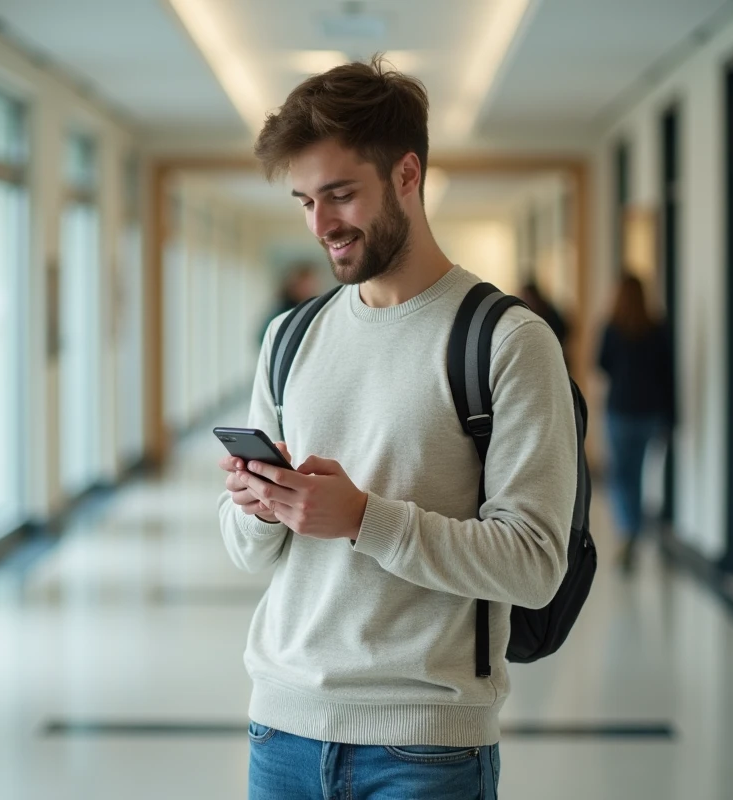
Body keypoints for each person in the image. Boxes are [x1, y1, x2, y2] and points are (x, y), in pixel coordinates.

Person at [216, 55, 578, 799]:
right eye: (304, 201)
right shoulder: (290, 337)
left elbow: (537, 566)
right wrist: (257, 507)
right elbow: (248, 551)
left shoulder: (508, 341)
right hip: (280, 729)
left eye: (341, 195)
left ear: (407, 176)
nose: (320, 226)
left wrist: (363, 520)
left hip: (425, 749)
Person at [596, 272, 674, 572]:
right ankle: (633, 532)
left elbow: (600, 364)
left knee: (618, 474)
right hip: (649, 413)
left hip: (620, 409)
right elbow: (668, 375)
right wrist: (670, 417)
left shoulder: (612, 328)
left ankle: (627, 531)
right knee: (637, 474)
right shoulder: (657, 329)